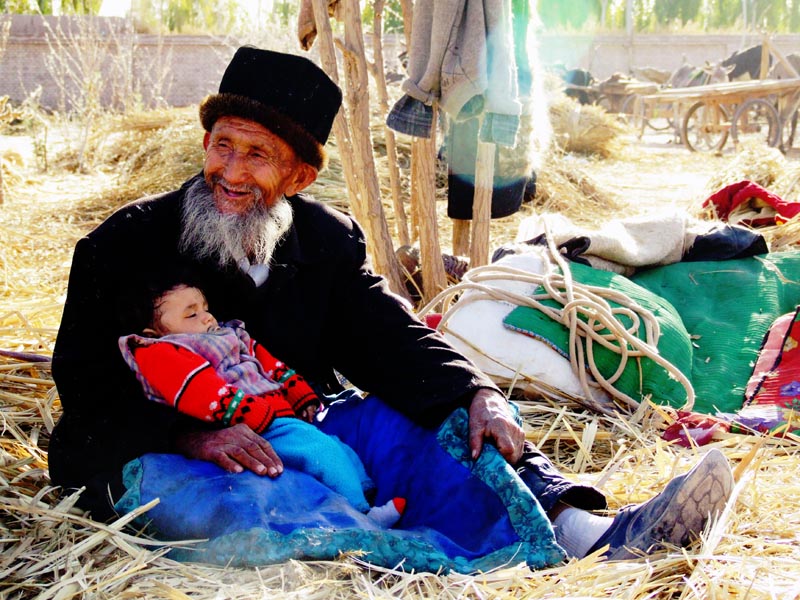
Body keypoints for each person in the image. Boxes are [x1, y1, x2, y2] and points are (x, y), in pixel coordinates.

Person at [50, 46, 733, 562]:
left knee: (438, 431)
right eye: (222, 145)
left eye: (258, 156)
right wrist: (190, 433)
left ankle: (591, 534)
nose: (230, 171)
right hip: (172, 446)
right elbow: (84, 389)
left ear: (300, 175)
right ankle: (396, 559)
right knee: (269, 504)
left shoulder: (323, 238)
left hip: (310, 423)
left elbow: (390, 339)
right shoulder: (124, 246)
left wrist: (477, 391)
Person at [117, 278, 405, 527]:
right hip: (255, 427)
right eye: (191, 315)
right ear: (154, 332)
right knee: (320, 451)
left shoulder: (229, 333)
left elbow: (267, 363)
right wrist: (248, 412)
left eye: (204, 307)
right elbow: (200, 389)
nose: (206, 317)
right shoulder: (161, 351)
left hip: (278, 417)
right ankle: (362, 515)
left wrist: (297, 390)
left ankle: (362, 492)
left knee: (334, 447)